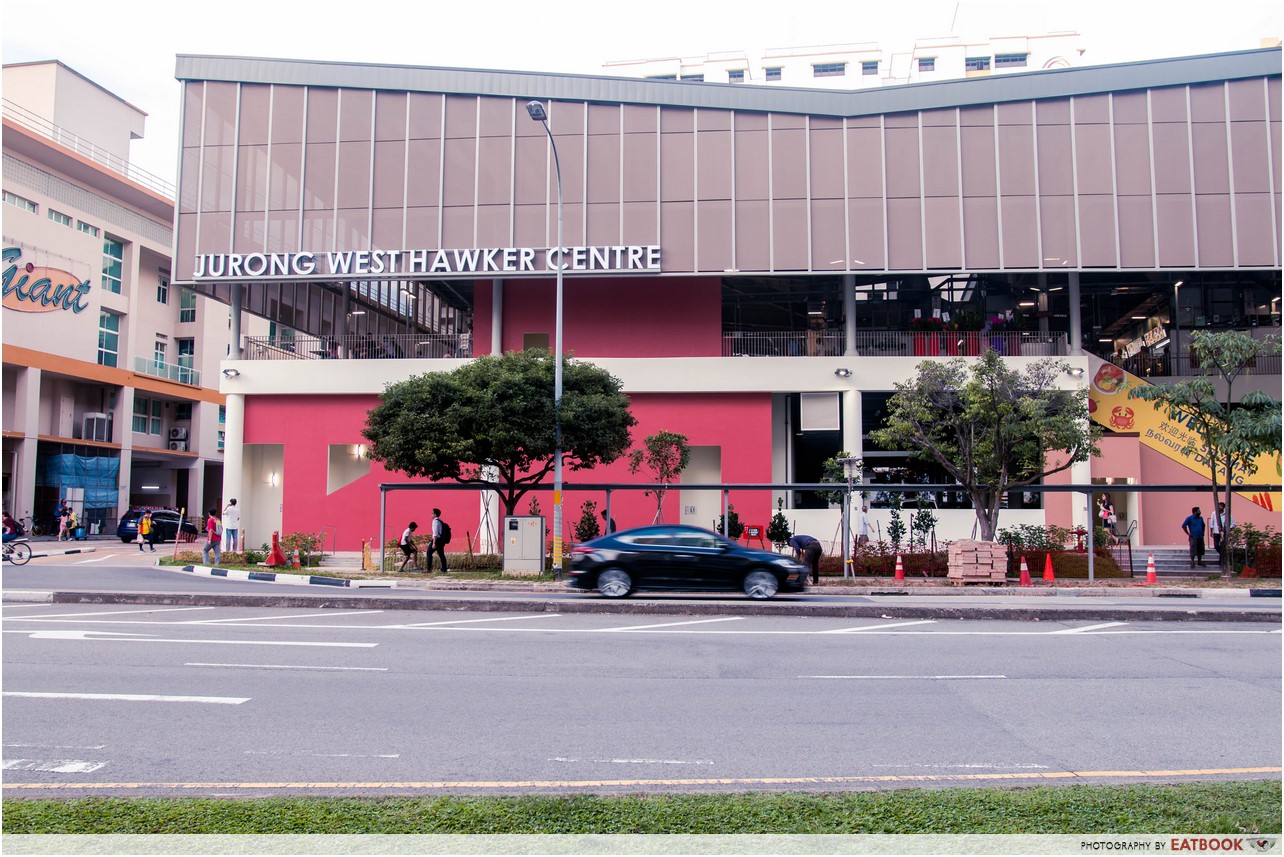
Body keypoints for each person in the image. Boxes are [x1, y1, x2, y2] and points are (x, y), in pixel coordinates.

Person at [428, 508, 448, 574]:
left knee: (429, 553)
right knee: (441, 554)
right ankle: (444, 569)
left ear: (435, 514)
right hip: (441, 540)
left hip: (437, 540)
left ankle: (429, 569)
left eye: (432, 513)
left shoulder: (435, 521)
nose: (431, 514)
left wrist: (433, 543)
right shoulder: (440, 521)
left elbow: (435, 533)